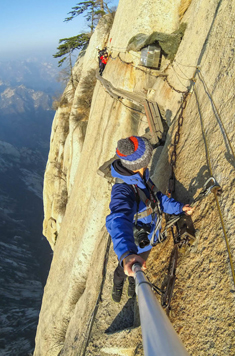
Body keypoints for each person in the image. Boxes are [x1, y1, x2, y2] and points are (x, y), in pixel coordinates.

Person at [106, 136, 194, 303]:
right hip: (132, 242)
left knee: (136, 268)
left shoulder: (141, 176)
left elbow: (157, 198)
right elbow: (118, 219)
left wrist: (179, 208)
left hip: (146, 238)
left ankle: (132, 285)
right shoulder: (123, 189)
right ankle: (117, 286)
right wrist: (126, 253)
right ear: (141, 161)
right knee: (124, 268)